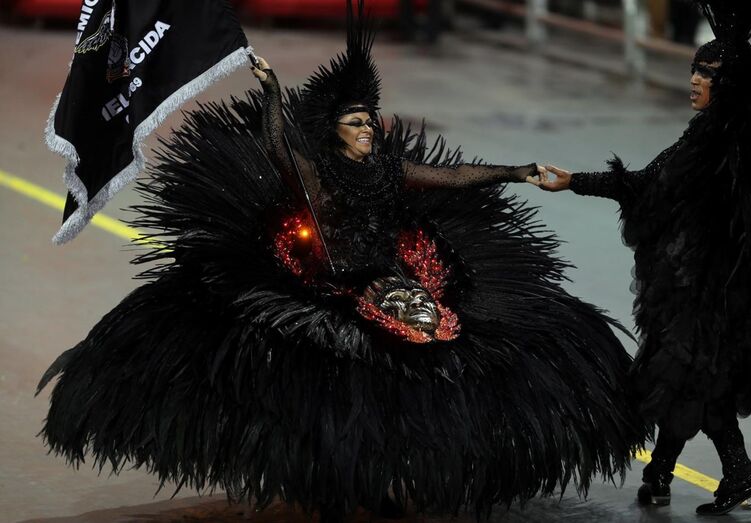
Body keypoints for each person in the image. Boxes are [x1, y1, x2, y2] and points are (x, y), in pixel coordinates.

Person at [37, 1, 647, 520]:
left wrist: (515, 171)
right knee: (336, 386)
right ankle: (335, 482)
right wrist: (274, 92)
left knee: (432, 350)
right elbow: (280, 149)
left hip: (394, 276)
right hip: (330, 286)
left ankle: (402, 466)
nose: (367, 129)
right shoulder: (319, 177)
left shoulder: (388, 167)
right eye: (356, 122)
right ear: (335, 130)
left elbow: (452, 175)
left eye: (369, 121)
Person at [542, 0, 751, 515]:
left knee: (691, 379)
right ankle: (664, 474)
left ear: (729, 83)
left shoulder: (722, 140)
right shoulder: (721, 132)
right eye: (694, 68)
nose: (695, 80)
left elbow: (649, 185)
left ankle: (725, 477)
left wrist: (574, 183)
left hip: (710, 290)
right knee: (688, 380)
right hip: (710, 285)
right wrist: (576, 182)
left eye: (708, 73)